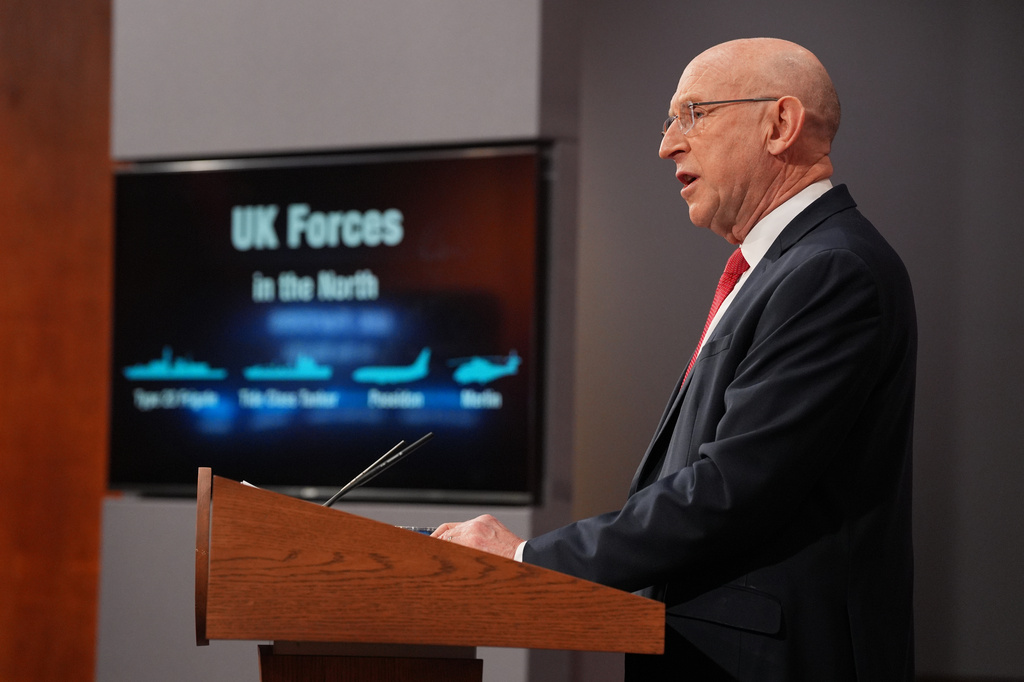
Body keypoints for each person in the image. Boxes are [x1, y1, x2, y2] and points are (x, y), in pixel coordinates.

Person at [432, 37, 916, 681]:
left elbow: (730, 490)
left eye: (694, 114)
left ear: (780, 124)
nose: (667, 145)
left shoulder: (830, 269)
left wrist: (527, 556)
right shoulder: (782, 267)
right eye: (670, 121)